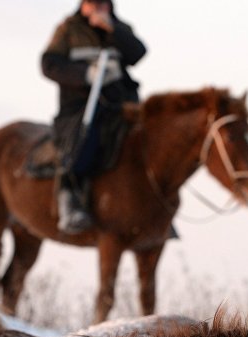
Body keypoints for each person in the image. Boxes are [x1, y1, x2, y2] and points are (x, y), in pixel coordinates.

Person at [41, 0, 146, 234]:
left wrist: (113, 30)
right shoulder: (68, 29)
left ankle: (152, 205)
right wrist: (85, 74)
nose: (99, 8)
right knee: (84, 138)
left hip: (120, 103)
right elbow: (48, 64)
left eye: (103, 3)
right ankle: (69, 199)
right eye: (94, 3)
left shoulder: (119, 28)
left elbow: (138, 53)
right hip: (80, 106)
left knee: (149, 139)